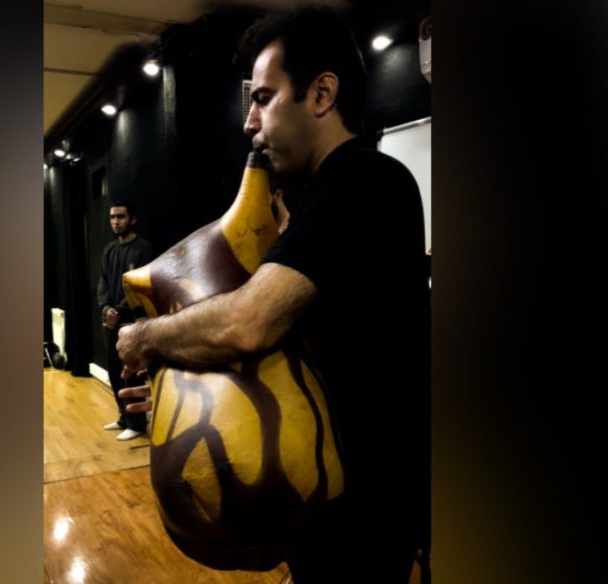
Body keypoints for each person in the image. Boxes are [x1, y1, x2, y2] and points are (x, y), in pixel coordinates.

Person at [117, 6, 430, 581]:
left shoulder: (362, 183)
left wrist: (145, 339)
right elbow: (297, 347)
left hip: (367, 514)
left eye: (263, 98)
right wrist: (176, 384)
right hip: (334, 508)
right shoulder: (321, 197)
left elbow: (247, 322)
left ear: (322, 94)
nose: (249, 122)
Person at [95, 200, 155, 441]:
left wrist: (118, 311)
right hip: (111, 320)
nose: (115, 221)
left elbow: (141, 285)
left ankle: (136, 423)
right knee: (114, 370)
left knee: (130, 370)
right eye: (112, 217)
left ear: (133, 219)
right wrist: (105, 308)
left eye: (120, 217)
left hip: (132, 320)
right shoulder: (109, 250)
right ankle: (123, 417)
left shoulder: (143, 249)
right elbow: (102, 282)